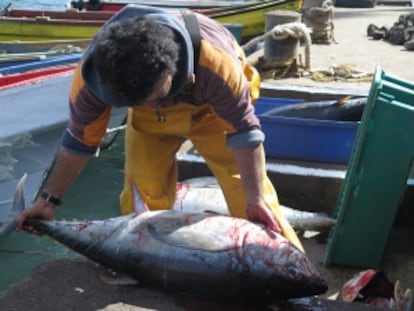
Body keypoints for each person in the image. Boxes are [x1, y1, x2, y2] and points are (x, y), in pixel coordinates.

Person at [16, 4, 304, 252]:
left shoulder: (216, 65)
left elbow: (244, 132)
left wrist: (253, 198)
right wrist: (48, 199)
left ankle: (292, 270)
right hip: (150, 124)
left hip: (212, 113)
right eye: (135, 102)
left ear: (172, 70)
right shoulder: (93, 80)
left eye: (156, 98)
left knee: (252, 200)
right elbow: (79, 142)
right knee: (142, 198)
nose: (153, 108)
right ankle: (149, 262)